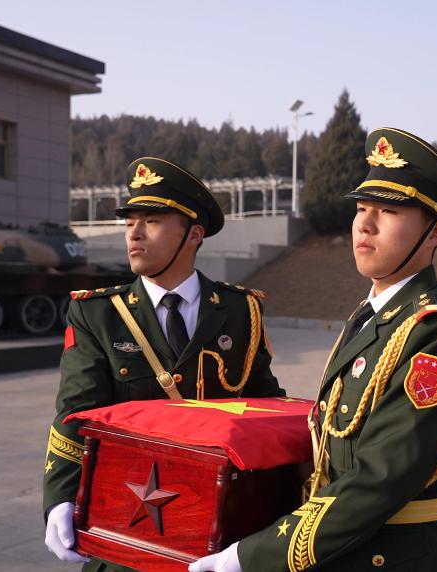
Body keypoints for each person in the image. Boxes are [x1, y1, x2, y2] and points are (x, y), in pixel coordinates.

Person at [190, 128, 437, 571]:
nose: (365, 224)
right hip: (349, 544)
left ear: (434, 233)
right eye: (362, 208)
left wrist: (249, 558)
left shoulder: (434, 329)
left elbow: (379, 481)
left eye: (388, 211)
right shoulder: (373, 315)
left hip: (398, 555)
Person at [43, 157, 285, 569]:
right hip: (129, 521)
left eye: (151, 221)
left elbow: (267, 407)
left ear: (194, 234)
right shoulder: (98, 314)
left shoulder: (240, 310)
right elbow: (76, 413)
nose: (133, 233)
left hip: (218, 526)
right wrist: (60, 499)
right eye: (129, 222)